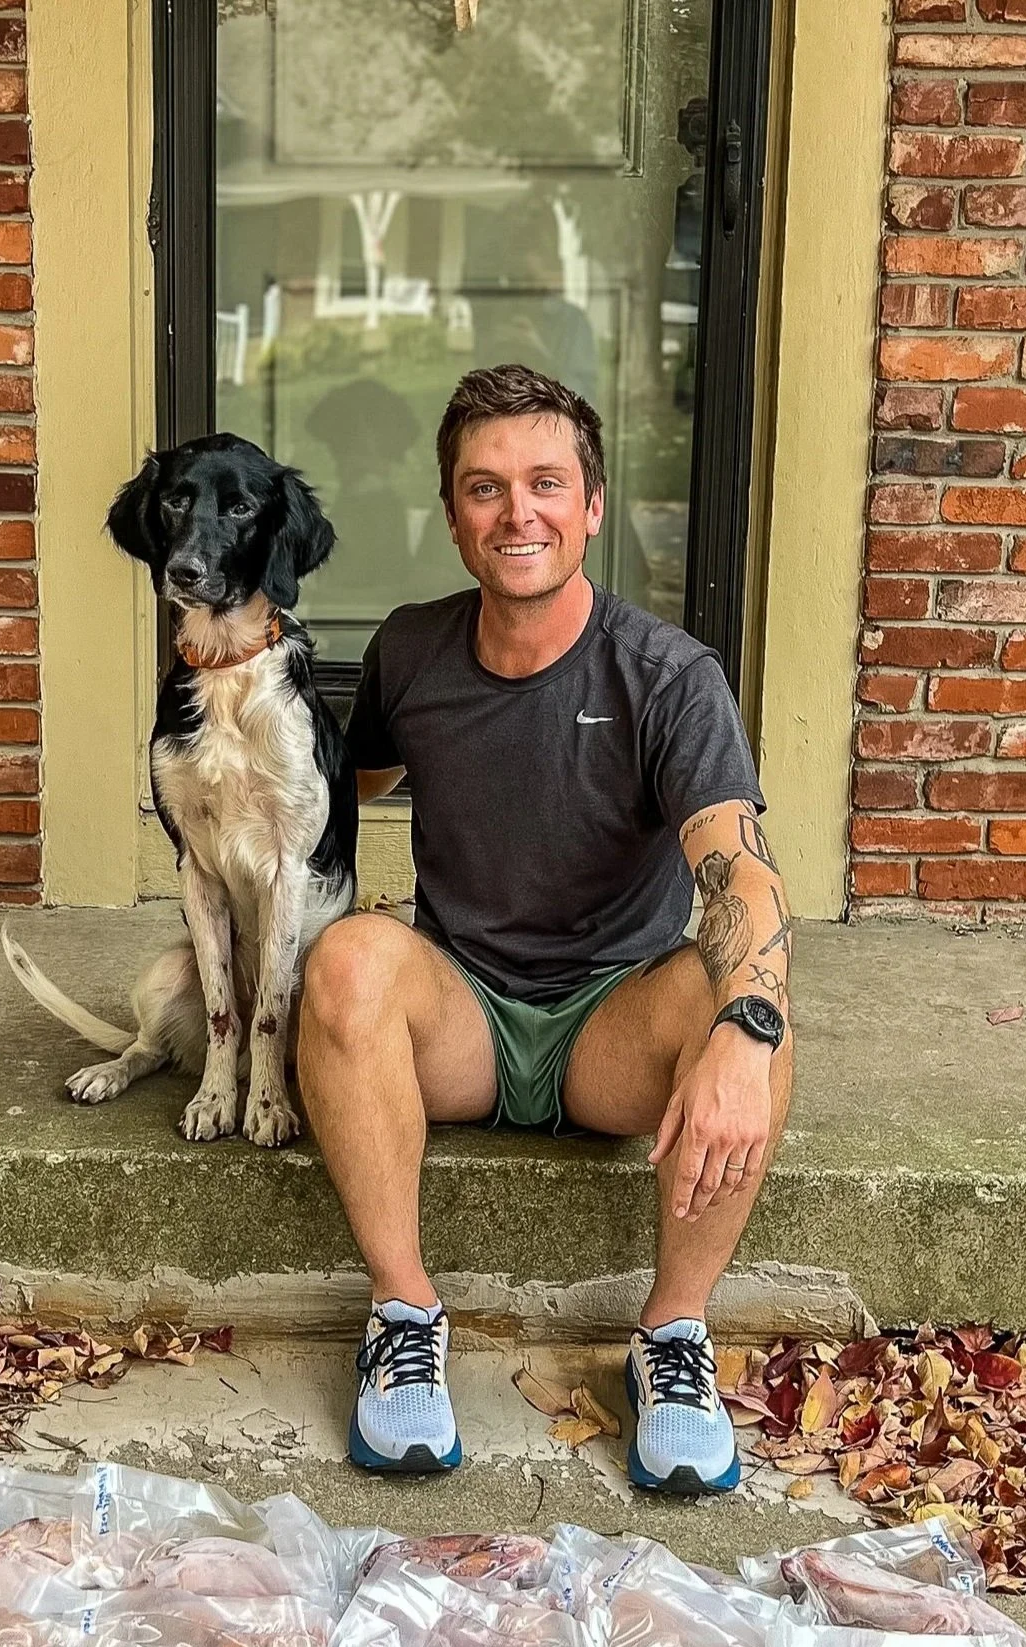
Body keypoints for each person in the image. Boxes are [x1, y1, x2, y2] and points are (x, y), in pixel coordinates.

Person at [296, 362, 793, 1497]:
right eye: (485, 488)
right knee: (351, 955)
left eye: (545, 483)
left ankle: (671, 1338)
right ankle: (405, 1313)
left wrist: (745, 1029)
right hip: (461, 1021)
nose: (517, 512)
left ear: (592, 505)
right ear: (453, 514)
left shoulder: (667, 675)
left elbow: (741, 879)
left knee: (753, 999)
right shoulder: (410, 651)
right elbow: (323, 799)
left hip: (608, 1030)